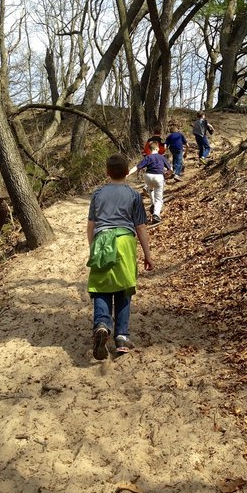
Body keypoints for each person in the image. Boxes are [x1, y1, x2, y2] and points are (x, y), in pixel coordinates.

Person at [87, 153, 154, 360]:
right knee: (124, 288)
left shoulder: (97, 194)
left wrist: (94, 248)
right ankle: (122, 337)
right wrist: (148, 254)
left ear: (107, 172)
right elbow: (140, 226)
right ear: (127, 172)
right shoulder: (133, 195)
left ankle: (101, 325)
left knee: (101, 287)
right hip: (124, 242)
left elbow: (91, 226)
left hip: (102, 240)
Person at [128, 141, 173, 224]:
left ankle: (153, 203)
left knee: (151, 189)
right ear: (157, 148)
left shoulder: (148, 157)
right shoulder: (161, 157)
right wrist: (167, 174)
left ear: (150, 149)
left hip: (148, 176)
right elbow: (170, 169)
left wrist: (128, 173)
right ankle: (156, 214)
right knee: (159, 198)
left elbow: (137, 167)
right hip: (159, 176)